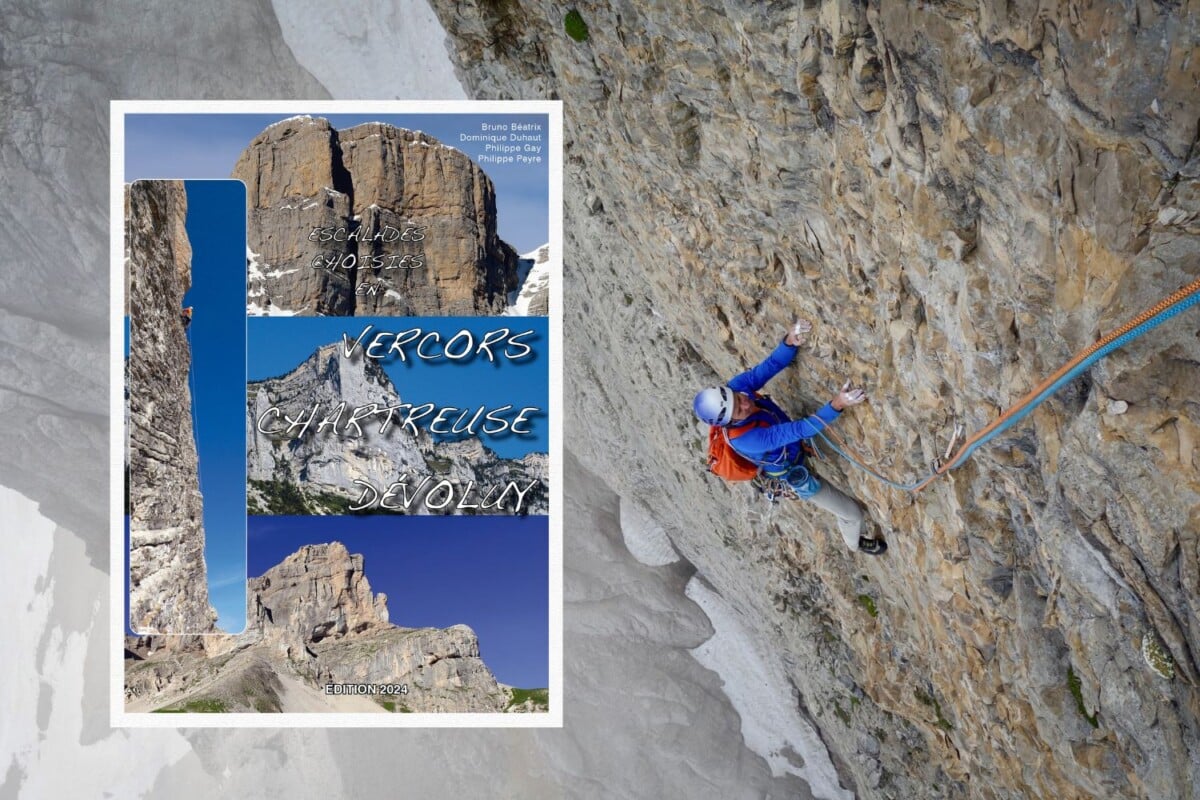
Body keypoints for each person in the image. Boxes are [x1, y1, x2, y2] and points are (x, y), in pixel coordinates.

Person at [693, 319, 886, 555]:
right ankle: (855, 544)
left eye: (738, 397)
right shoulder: (746, 439)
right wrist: (838, 404)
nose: (745, 402)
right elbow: (798, 430)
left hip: (795, 447)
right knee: (852, 513)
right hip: (793, 473)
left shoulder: (738, 389)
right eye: (739, 409)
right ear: (730, 421)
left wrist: (789, 341)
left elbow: (770, 365)